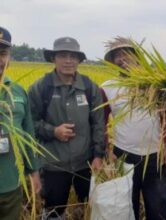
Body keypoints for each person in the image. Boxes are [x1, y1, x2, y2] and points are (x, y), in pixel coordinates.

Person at [28, 37, 105, 219]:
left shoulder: (89, 88)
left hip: (85, 164)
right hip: (53, 164)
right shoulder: (41, 88)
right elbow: (29, 124)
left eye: (73, 56)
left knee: (88, 208)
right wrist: (53, 131)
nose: (68, 61)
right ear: (54, 59)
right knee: (54, 211)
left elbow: (98, 124)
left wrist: (98, 155)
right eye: (63, 55)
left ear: (78, 60)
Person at [101, 37, 166, 220]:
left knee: (159, 209)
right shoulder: (108, 88)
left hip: (157, 156)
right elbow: (99, 123)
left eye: (127, 54)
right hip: (123, 155)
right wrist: (107, 150)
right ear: (113, 61)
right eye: (117, 55)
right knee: (126, 209)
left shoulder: (156, 84)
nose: (123, 59)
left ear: (138, 57)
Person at [0, 26, 41, 220]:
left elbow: (28, 135)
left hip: (12, 185)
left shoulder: (18, 92)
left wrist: (33, 171)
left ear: (9, 57)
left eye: (3, 53)